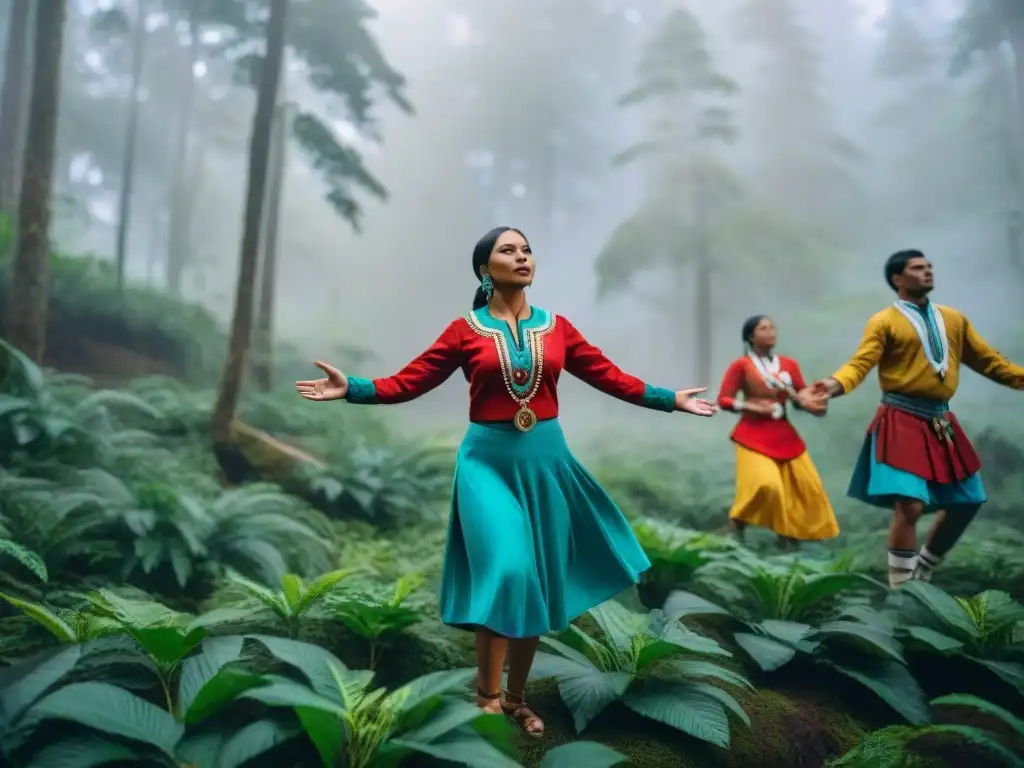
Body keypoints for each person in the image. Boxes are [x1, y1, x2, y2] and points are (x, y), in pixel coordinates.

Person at [295, 226, 718, 736]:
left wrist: (668, 398)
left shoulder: (557, 327)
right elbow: (409, 382)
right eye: (507, 251)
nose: (521, 258)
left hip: (545, 462)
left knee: (536, 578)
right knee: (510, 568)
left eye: (526, 250)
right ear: (483, 268)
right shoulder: (463, 330)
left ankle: (517, 700)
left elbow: (610, 375)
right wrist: (354, 388)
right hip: (486, 463)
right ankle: (486, 698)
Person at [810, 250, 1024, 589]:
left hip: (941, 421)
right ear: (898, 278)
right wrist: (832, 386)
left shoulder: (954, 319)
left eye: (929, 267)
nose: (927, 272)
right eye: (917, 268)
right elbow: (859, 364)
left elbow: (990, 362)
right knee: (909, 505)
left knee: (968, 501)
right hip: (900, 417)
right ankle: (902, 587)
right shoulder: (883, 321)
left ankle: (924, 566)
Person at [717, 315, 838, 550]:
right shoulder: (741, 366)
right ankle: (736, 526)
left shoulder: (789, 365)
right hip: (751, 434)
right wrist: (752, 406)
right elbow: (724, 399)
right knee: (766, 485)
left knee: (806, 486)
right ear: (751, 337)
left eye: (773, 327)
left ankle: (788, 540)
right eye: (764, 328)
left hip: (784, 434)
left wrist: (812, 400)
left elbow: (801, 398)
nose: (771, 332)